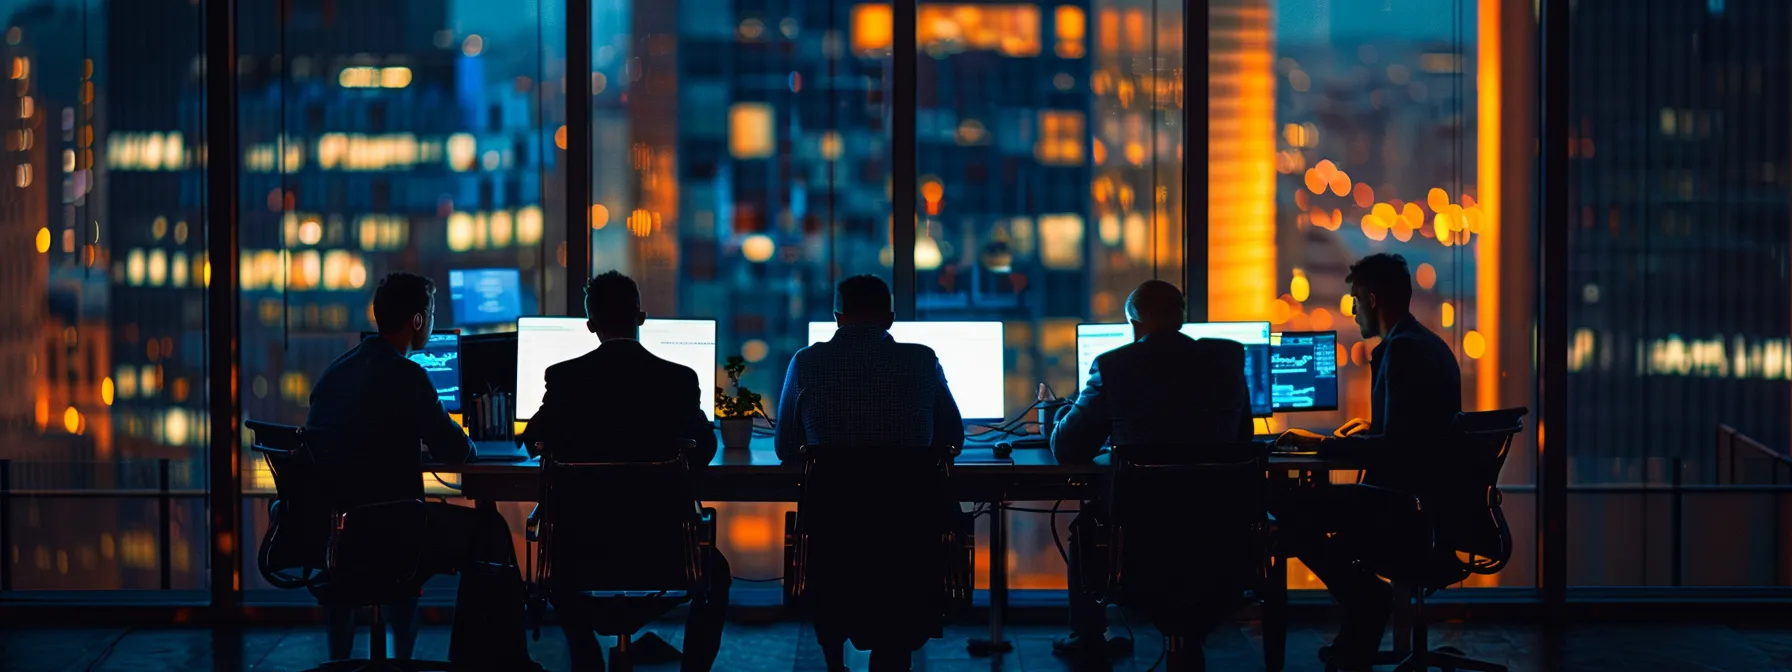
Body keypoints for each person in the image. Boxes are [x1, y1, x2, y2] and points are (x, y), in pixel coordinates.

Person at [304, 272, 537, 669]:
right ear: (417, 320)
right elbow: (458, 450)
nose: (431, 321)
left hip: (333, 535)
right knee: (490, 529)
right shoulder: (408, 376)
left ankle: (340, 657)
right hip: (394, 531)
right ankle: (485, 660)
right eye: (430, 313)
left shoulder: (335, 373)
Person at [519, 270, 730, 672]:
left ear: (590, 325)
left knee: (554, 557)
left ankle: (586, 655)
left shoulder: (564, 377)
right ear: (642, 316)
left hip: (578, 551)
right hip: (663, 550)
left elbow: (534, 442)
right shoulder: (679, 379)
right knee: (714, 570)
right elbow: (704, 449)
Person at [1050, 279, 1254, 664]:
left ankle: (1089, 635)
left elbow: (1069, 448)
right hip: (1217, 527)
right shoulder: (1228, 361)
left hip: (1141, 532)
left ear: (1133, 322)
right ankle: (1187, 636)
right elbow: (1242, 439)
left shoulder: (1113, 365)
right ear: (1182, 318)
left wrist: (1065, 410)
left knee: (1085, 525)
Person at [1275, 253, 1463, 669]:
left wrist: (1320, 445)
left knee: (1290, 511)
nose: (1353, 310)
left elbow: (1398, 448)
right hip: (1425, 502)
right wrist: (1369, 430)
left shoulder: (1403, 352)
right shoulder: (1423, 343)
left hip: (1404, 507)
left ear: (1373, 299)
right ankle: (1355, 633)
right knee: (1311, 513)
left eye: (1355, 300)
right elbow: (1411, 436)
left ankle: (1366, 601)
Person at [774, 274, 965, 672]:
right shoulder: (921, 360)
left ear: (836, 317)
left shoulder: (806, 363)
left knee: (838, 570)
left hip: (834, 534)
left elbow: (785, 448)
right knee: (897, 589)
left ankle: (834, 661)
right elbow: (952, 437)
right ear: (891, 318)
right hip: (907, 537)